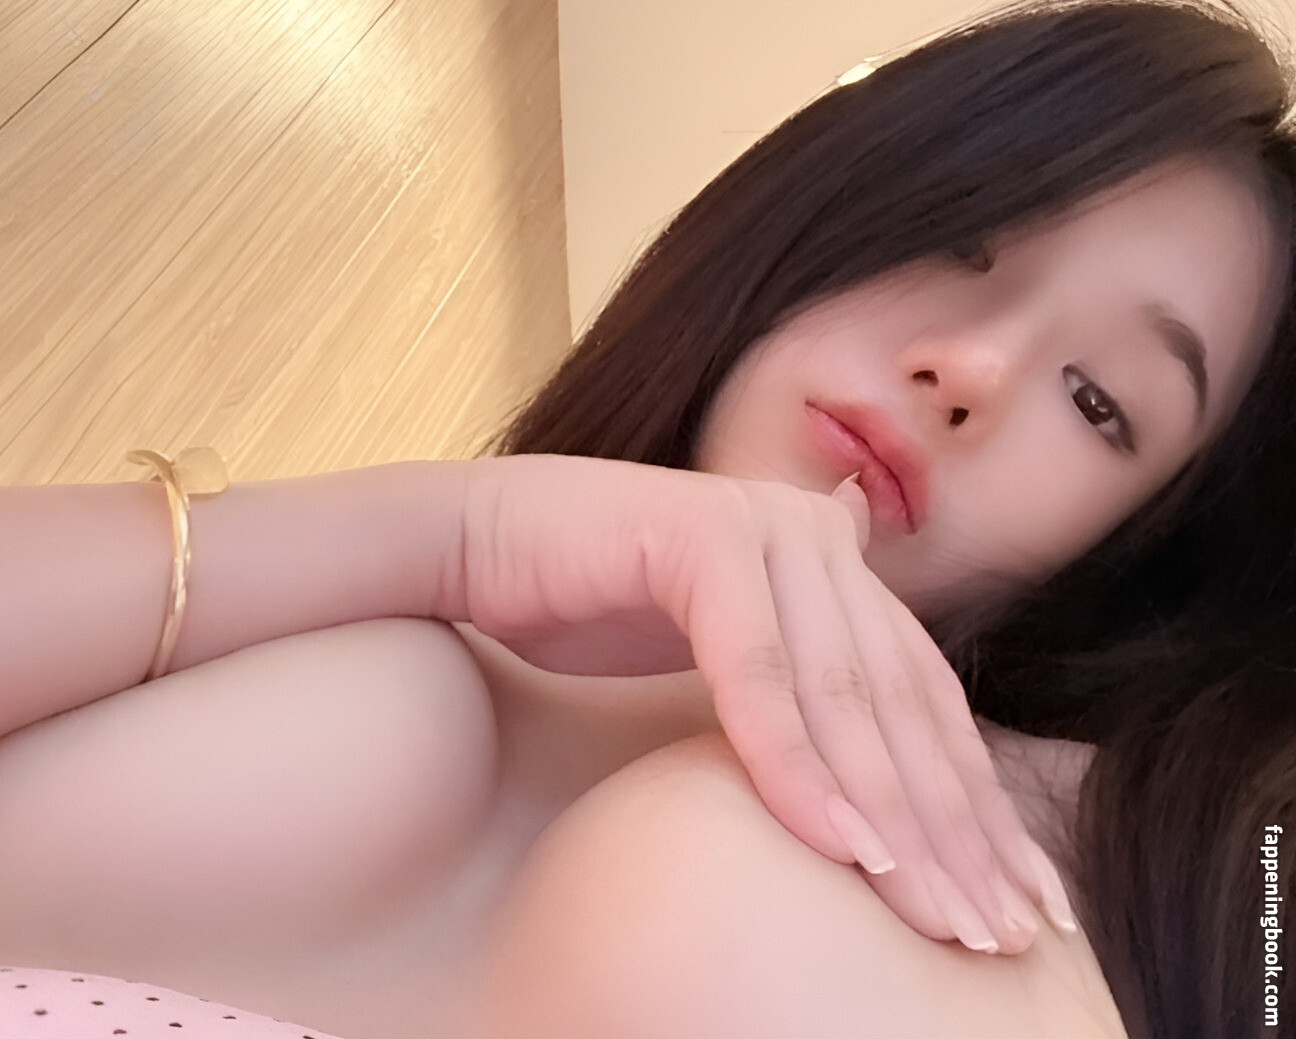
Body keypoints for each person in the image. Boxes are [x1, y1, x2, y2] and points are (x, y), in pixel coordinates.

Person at [0, 0, 1292, 1037]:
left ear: (1138, 545)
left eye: (1097, 401)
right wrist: (457, 532)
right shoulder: (426, 593)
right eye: (964, 237)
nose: (973, 370)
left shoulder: (1108, 876)